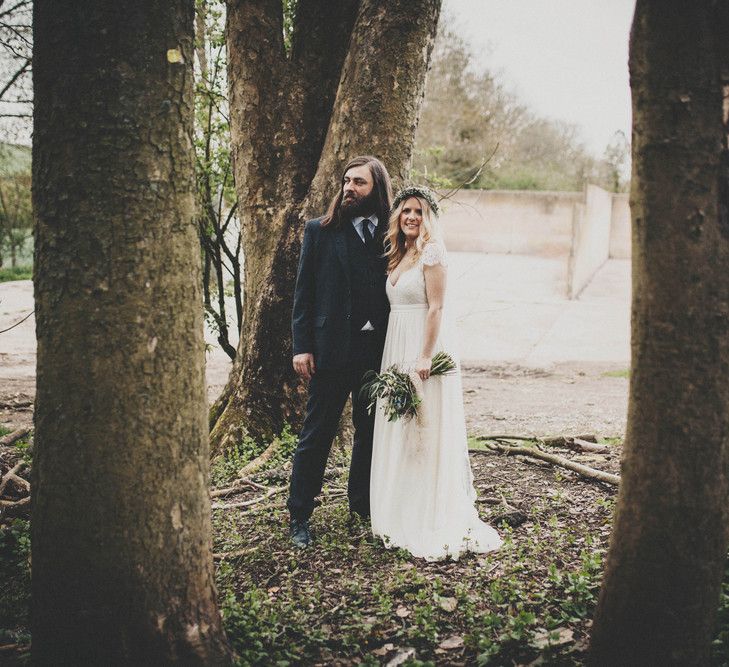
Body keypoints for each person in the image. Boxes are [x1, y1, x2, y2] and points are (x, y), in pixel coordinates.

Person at [370, 185, 502, 561]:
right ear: (398, 216)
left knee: (422, 429)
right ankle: (396, 507)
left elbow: (437, 308)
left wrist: (424, 356)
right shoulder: (400, 254)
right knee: (400, 426)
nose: (411, 217)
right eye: (406, 211)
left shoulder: (433, 252)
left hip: (420, 350)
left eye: (419, 212)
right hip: (395, 346)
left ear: (429, 218)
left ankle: (426, 512)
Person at [288, 155, 393, 548]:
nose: (349, 188)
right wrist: (302, 347)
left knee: (369, 434)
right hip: (329, 353)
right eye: (347, 181)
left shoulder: (391, 233)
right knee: (317, 434)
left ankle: (361, 505)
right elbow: (304, 294)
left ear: (376, 189)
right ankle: (299, 514)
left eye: (359, 183)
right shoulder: (320, 231)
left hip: (374, 356)